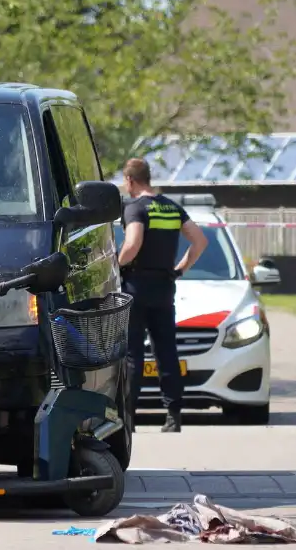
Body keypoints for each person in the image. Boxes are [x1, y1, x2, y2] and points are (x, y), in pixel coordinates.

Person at [118, 158, 208, 433]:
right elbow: (200, 240)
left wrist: (117, 265)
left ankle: (128, 419)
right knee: (166, 352)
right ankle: (173, 416)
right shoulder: (171, 207)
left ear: (131, 181)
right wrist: (180, 269)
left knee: (133, 355)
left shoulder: (135, 207)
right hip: (164, 288)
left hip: (136, 287)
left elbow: (133, 243)